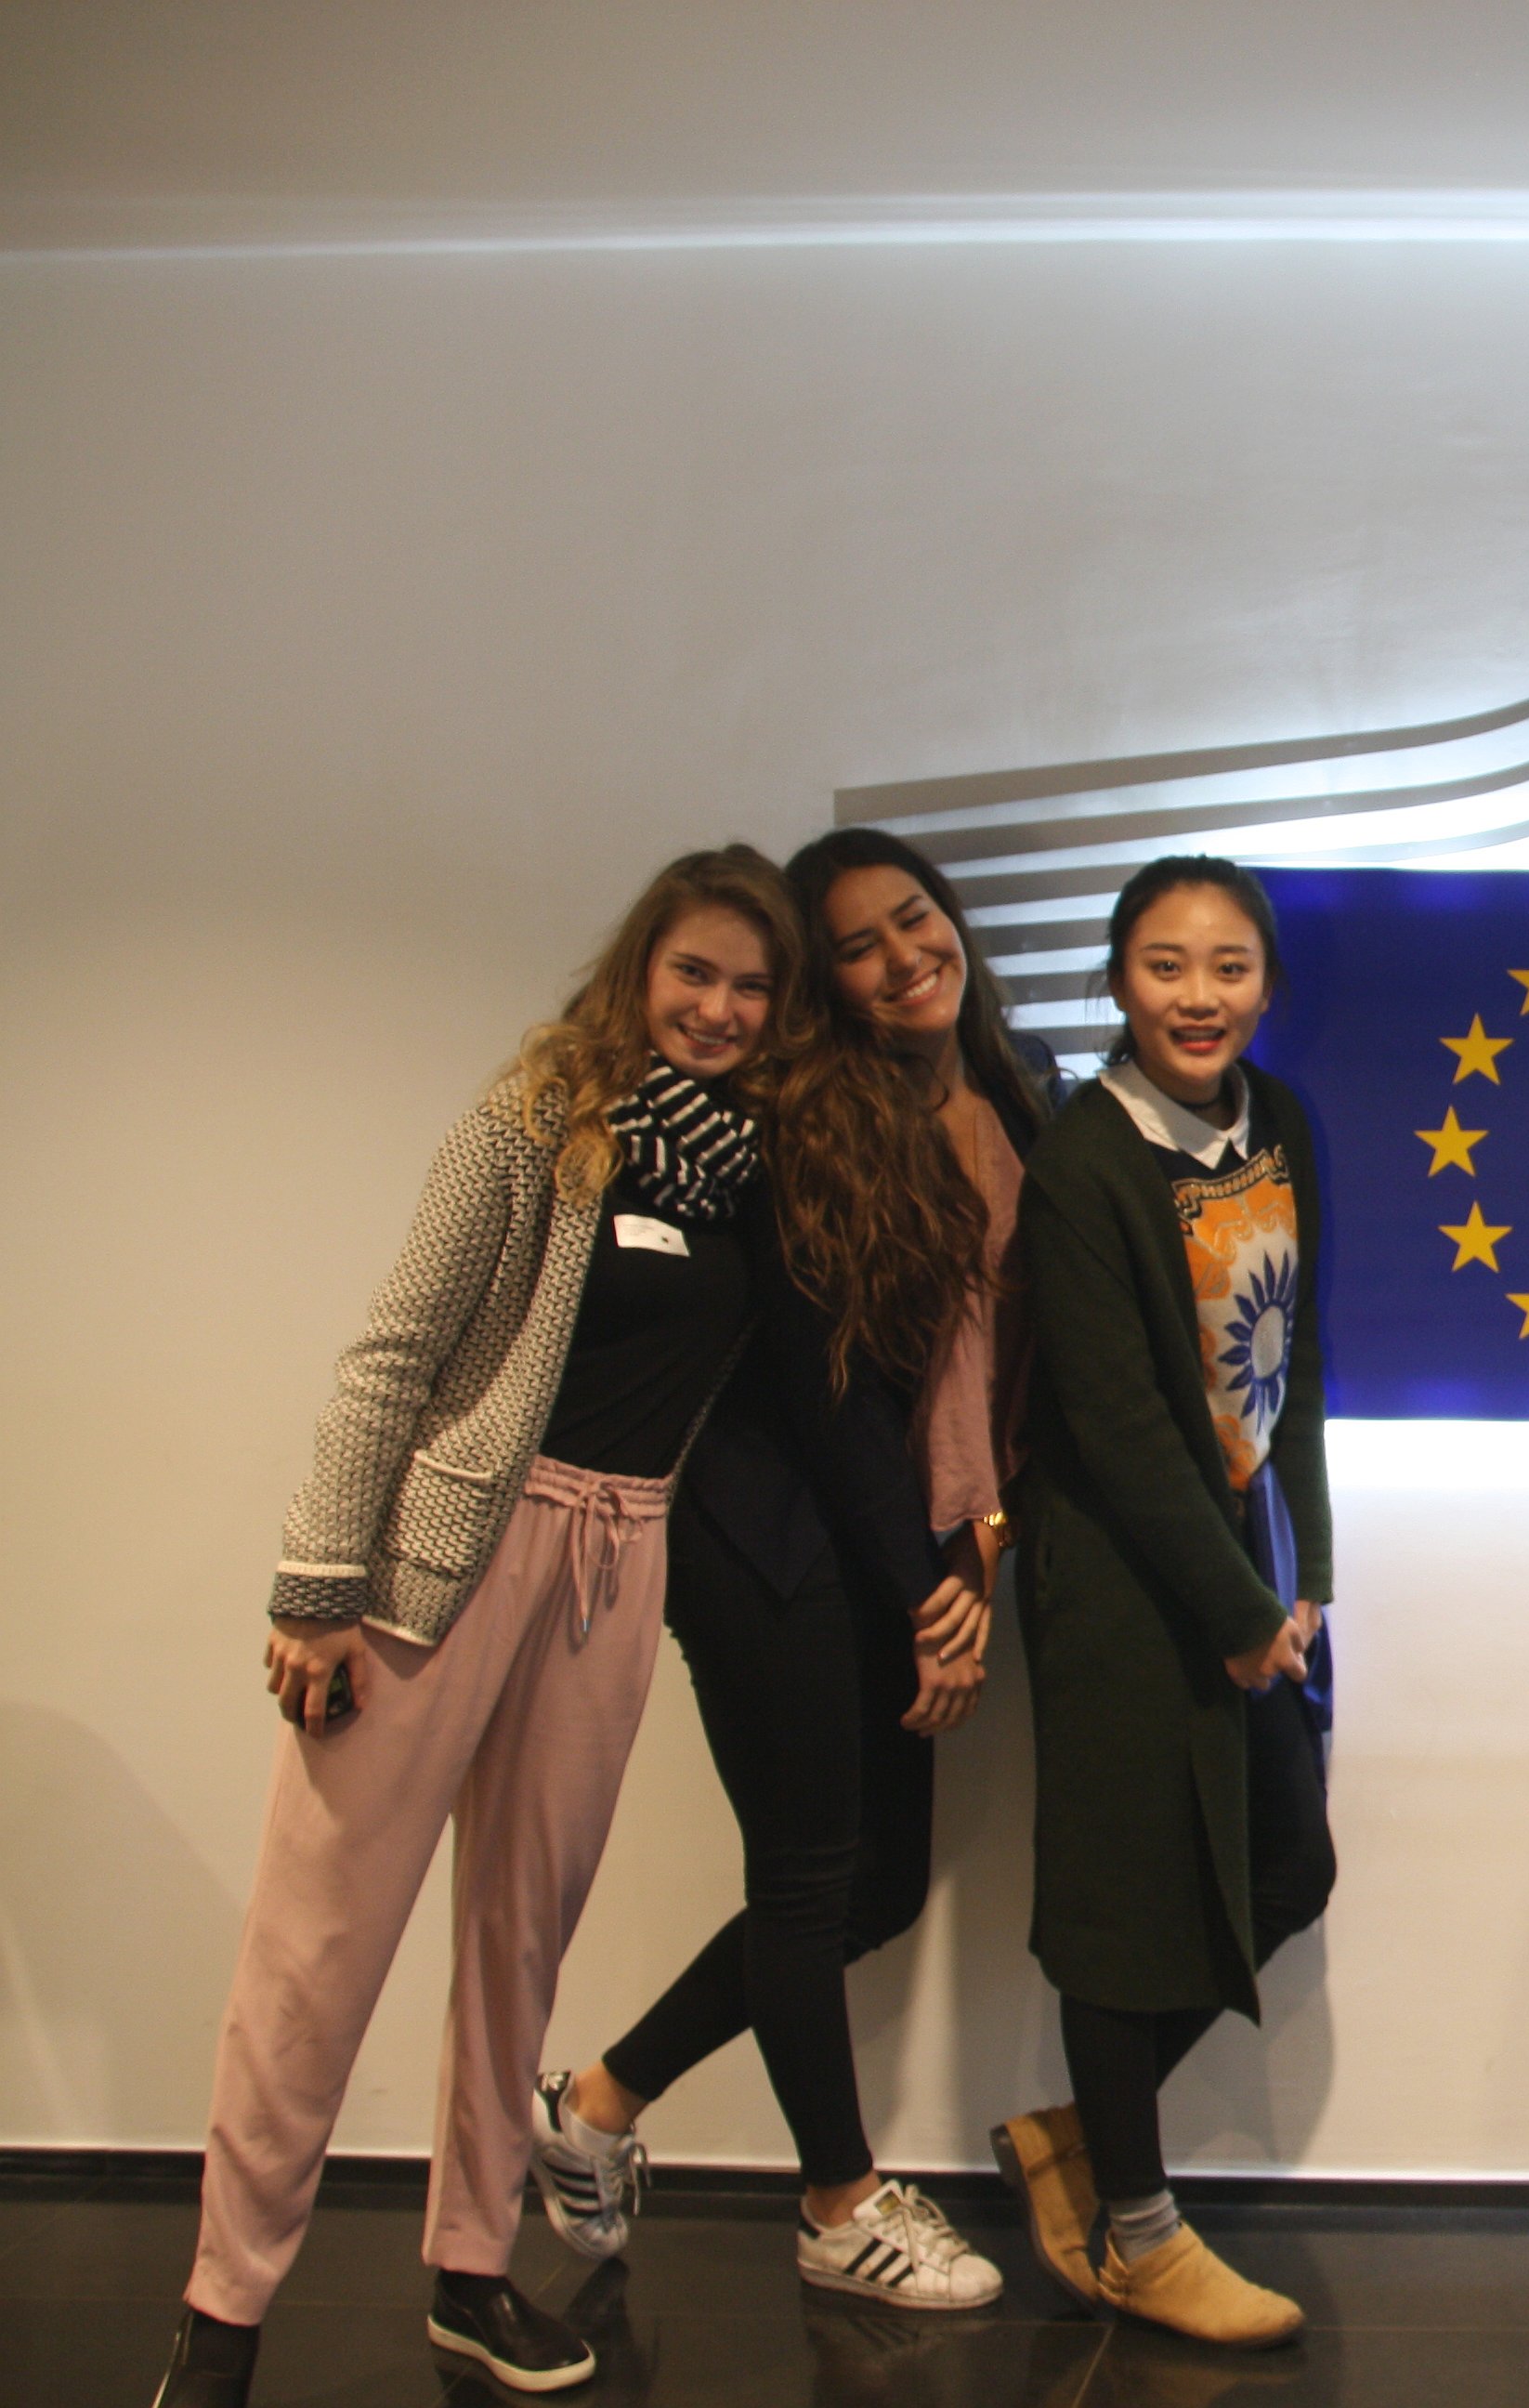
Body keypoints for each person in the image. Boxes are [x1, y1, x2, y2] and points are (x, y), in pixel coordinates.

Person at [153, 848, 804, 2407]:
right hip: (450, 1563)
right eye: (692, 973)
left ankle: (468, 2270)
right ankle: (223, 2316)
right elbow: (391, 1359)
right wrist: (320, 1590)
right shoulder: (534, 1123)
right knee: (318, 1950)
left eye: (749, 985)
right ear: (639, 969)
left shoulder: (758, 1168)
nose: (716, 1009)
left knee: (522, 1939)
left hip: (616, 1569)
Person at [532, 829, 1052, 2310]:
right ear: (825, 986)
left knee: (868, 1882)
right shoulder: (813, 1121)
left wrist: (973, 1552)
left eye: (915, 921)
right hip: (763, 1541)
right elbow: (824, 1396)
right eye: (859, 946)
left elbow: (988, 1378)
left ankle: (600, 2103)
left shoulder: (998, 1105)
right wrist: (926, 1594)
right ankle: (837, 2202)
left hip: (892, 1544)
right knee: (816, 1875)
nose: (903, 959)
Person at [985, 855, 1331, 2349]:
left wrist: (1301, 1583)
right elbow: (1119, 1425)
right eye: (1169, 966)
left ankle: (1078, 2136)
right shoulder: (1083, 1158)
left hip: (1249, 1570)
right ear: (1121, 980)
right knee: (1126, 1911)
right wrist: (1235, 1609)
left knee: (1287, 1868)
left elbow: (1295, 1372)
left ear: (1266, 980)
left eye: (1230, 966)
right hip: (1121, 1586)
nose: (1201, 996)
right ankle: (1138, 2231)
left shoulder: (1283, 1120)